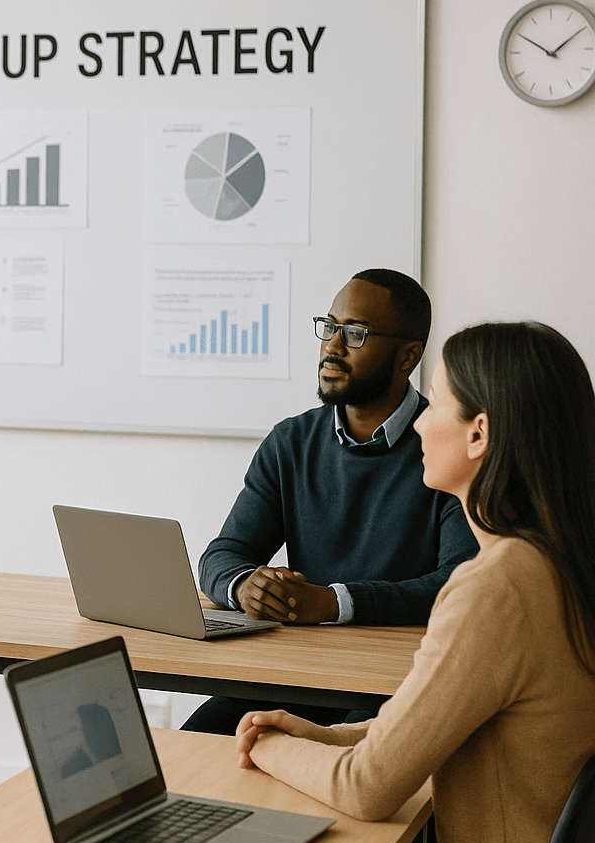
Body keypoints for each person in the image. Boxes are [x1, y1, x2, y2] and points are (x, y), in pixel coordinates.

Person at [236, 321, 595, 843]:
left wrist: (265, 745)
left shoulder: (497, 587)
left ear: (479, 433)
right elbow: (439, 725)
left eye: (438, 402)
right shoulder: (563, 560)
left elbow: (367, 787)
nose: (421, 421)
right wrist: (324, 736)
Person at [184, 269, 479, 734]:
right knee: (199, 739)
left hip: (398, 682)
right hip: (299, 674)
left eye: (356, 334)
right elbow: (222, 555)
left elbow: (457, 585)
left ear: (408, 356)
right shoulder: (291, 441)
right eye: (330, 326)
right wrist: (245, 587)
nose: (332, 347)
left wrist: (333, 603)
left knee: (344, 761)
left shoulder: (445, 448)